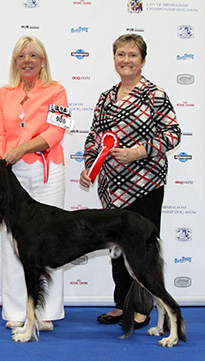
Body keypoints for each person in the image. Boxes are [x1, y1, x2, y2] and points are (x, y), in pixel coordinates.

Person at [80, 34, 181, 329]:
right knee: (117, 250)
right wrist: (90, 165)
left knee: (141, 251)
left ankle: (142, 308)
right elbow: (93, 138)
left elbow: (173, 134)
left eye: (132, 55)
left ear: (143, 60)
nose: (126, 60)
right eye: (121, 54)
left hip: (146, 184)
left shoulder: (155, 94)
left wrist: (140, 151)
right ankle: (121, 304)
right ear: (114, 59)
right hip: (112, 187)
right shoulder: (106, 97)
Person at [0, 35, 69, 331]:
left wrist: (22, 148)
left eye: (33, 56)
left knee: (50, 240)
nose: (27, 61)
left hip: (48, 173)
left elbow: (56, 132)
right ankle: (15, 309)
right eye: (21, 56)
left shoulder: (56, 90)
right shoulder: (3, 94)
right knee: (14, 244)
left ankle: (47, 310)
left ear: (43, 61)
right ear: (15, 62)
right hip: (13, 177)